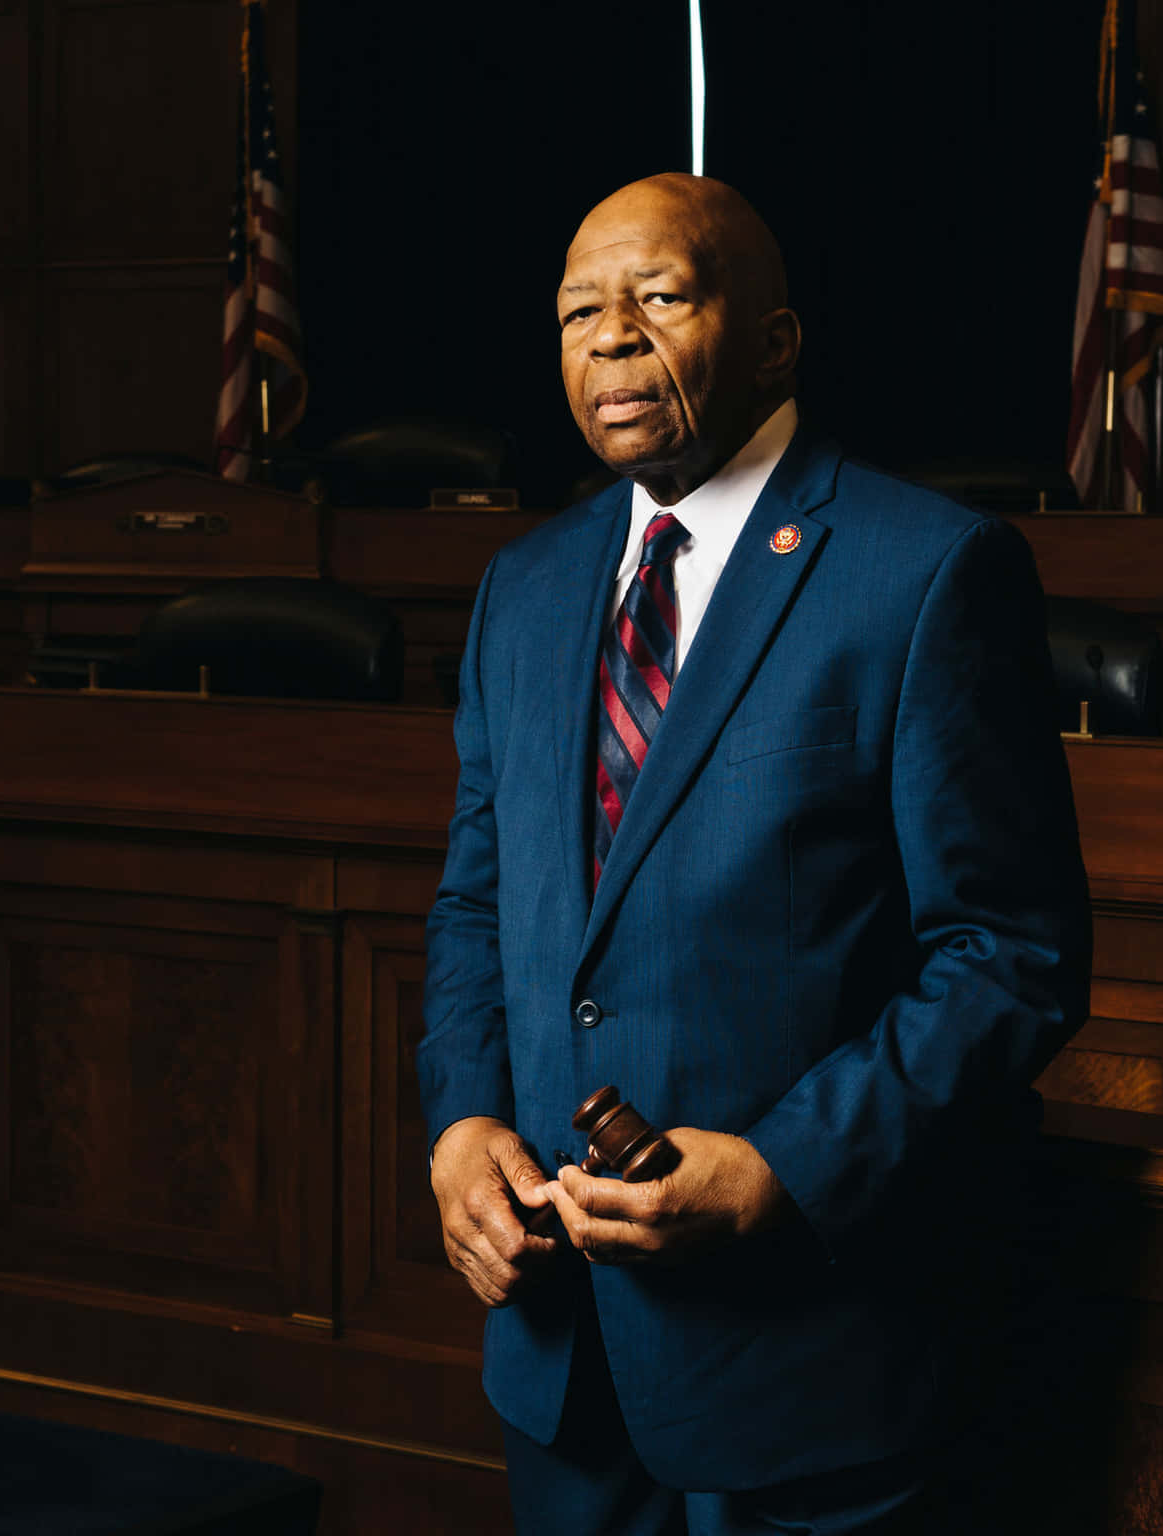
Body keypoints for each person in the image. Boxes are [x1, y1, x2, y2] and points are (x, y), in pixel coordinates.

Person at [420, 172, 1091, 1535]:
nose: (611, 337)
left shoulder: (926, 570)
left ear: (776, 341)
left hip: (816, 1356)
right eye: (576, 312)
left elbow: (1011, 957)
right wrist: (463, 1122)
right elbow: (478, 903)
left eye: (659, 297)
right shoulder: (527, 587)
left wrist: (788, 1168)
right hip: (562, 1355)